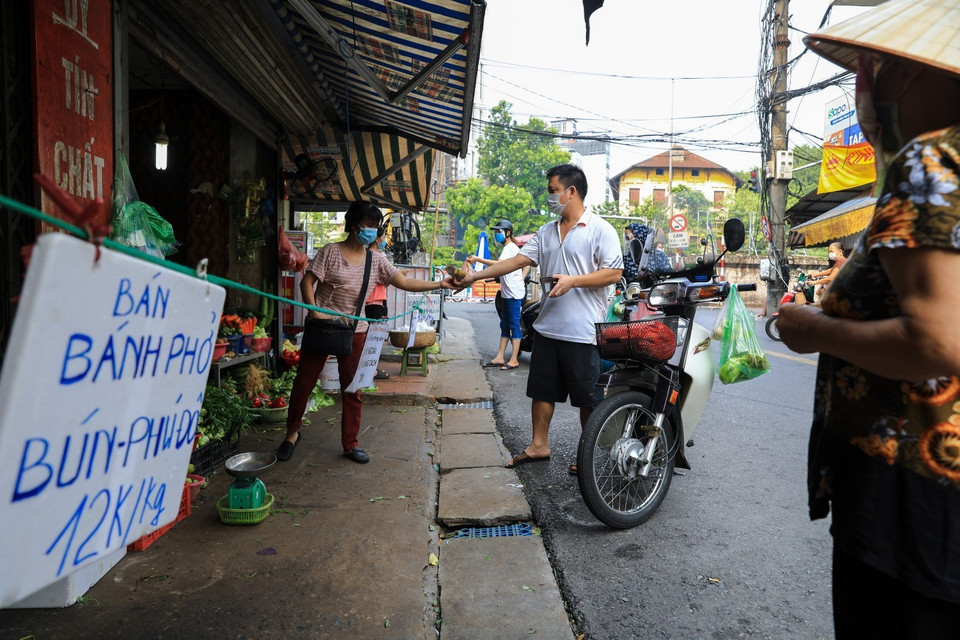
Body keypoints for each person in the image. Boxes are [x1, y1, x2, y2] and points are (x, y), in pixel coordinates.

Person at [779, 2, 960, 636]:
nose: (864, 85)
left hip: (912, 493)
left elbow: (937, 339)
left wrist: (813, 329)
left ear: (906, 74)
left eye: (870, 68)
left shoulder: (930, 163)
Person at [453, 164, 623, 472]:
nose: (549, 197)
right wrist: (474, 277)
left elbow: (613, 272)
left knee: (588, 398)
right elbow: (516, 261)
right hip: (548, 328)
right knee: (543, 392)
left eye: (552, 190)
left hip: (583, 332)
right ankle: (538, 445)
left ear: (571, 192)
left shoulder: (600, 229)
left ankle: (585, 455)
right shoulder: (546, 232)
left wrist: (573, 280)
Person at [278, 201, 454, 464]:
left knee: (353, 389)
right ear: (353, 224)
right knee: (304, 383)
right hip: (323, 328)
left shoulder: (376, 260)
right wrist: (314, 311)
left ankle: (350, 444)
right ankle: (292, 434)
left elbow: (404, 282)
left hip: (354, 331)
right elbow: (307, 282)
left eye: (375, 226)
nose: (371, 231)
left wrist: (440, 283)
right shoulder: (331, 252)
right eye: (367, 225)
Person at [467, 219, 528, 370]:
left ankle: (513, 359)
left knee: (514, 325)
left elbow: (499, 265)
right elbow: (523, 263)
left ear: (508, 233)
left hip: (514, 293)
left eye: (499, 232)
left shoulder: (510, 248)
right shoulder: (509, 248)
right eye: (495, 232)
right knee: (505, 325)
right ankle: (500, 357)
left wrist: (478, 259)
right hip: (507, 292)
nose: (496, 235)